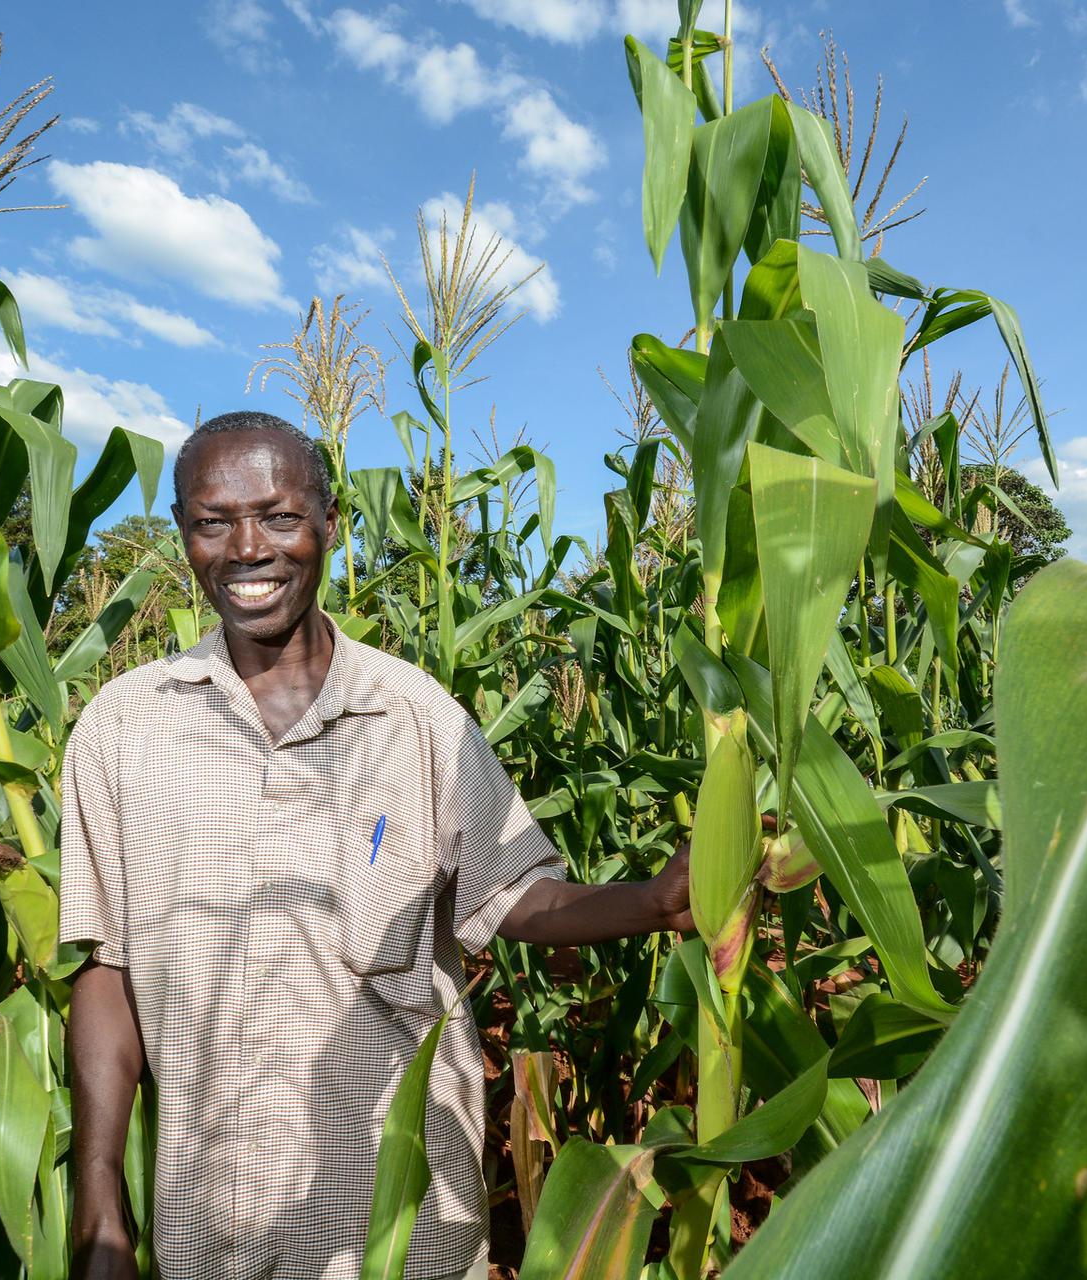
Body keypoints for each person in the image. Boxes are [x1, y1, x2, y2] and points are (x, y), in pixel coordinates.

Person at [62, 411, 693, 1280]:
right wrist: (98, 1197)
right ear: (184, 533)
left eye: (280, 517)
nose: (249, 548)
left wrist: (654, 901)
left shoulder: (416, 716)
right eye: (214, 522)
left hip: (405, 1217)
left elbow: (515, 896)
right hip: (213, 1223)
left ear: (329, 521)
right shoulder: (123, 728)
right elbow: (109, 967)